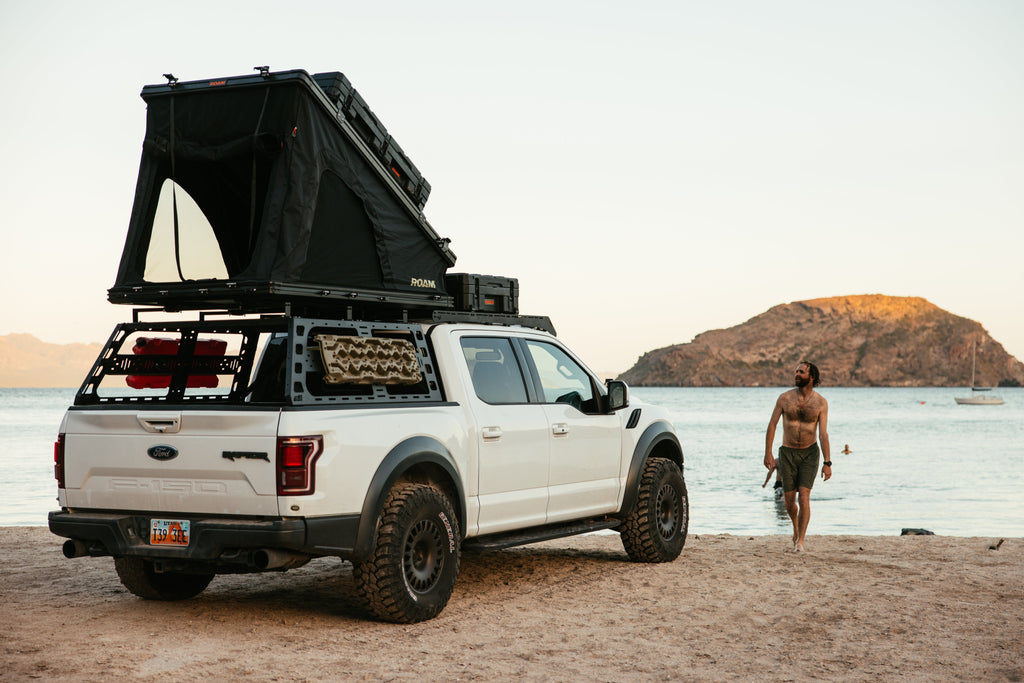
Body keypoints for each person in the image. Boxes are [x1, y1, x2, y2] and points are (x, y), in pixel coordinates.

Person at [764, 361, 831, 552]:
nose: (797, 374)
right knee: (788, 501)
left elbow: (823, 434)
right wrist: (768, 452)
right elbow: (772, 425)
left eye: (801, 372)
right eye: (796, 371)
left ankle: (800, 541)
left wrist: (827, 462)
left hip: (810, 453)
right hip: (787, 453)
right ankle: (795, 527)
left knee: (804, 497)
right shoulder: (784, 398)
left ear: (812, 377)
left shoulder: (821, 402)